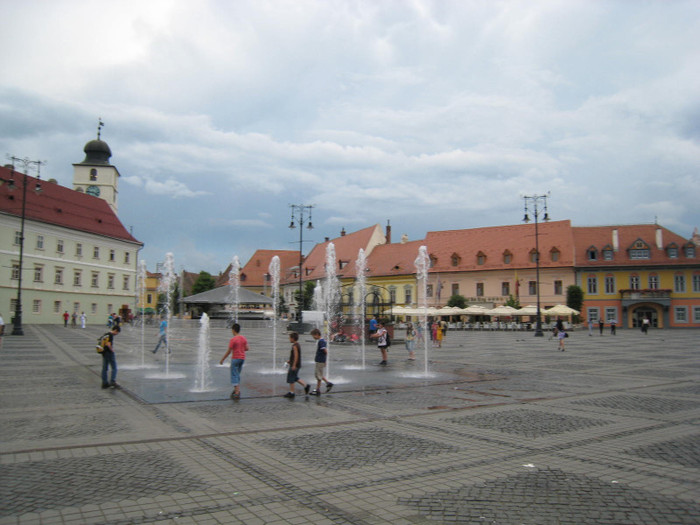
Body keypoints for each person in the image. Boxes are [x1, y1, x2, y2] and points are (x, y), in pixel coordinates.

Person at [220, 323, 249, 399]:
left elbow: (229, 351)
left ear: (233, 330)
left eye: (232, 330)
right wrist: (241, 349)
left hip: (235, 358)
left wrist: (222, 359)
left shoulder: (233, 339)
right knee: (237, 374)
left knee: (234, 374)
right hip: (242, 359)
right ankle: (236, 389)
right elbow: (247, 348)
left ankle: (237, 391)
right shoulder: (243, 338)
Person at [284, 332, 310, 398]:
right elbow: (294, 356)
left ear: (293, 338)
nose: (289, 339)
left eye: (289, 338)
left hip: (295, 365)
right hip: (296, 364)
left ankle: (292, 392)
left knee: (291, 378)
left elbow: (296, 356)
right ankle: (306, 385)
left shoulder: (295, 346)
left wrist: (294, 365)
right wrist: (290, 361)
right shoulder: (297, 344)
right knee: (295, 377)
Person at [310, 328, 333, 395]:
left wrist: (324, 360)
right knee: (319, 375)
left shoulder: (321, 341)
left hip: (320, 361)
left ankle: (318, 390)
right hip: (320, 360)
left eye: (313, 336)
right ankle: (328, 384)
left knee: (319, 376)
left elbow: (325, 351)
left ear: (317, 334)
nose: (313, 337)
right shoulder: (321, 341)